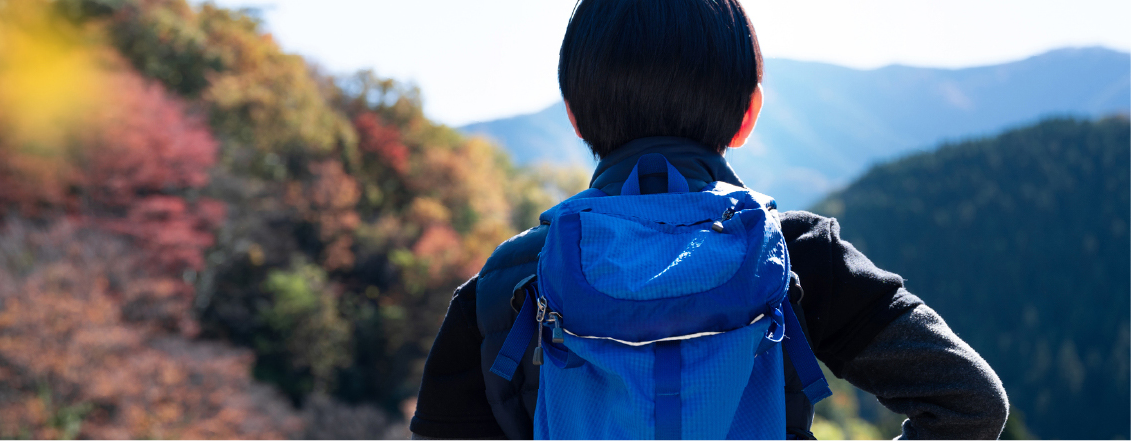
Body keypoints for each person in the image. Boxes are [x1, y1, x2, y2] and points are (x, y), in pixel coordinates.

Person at [407, 0, 1010, 439]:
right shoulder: (797, 256)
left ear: (573, 116)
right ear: (749, 114)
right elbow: (970, 403)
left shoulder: (504, 283)